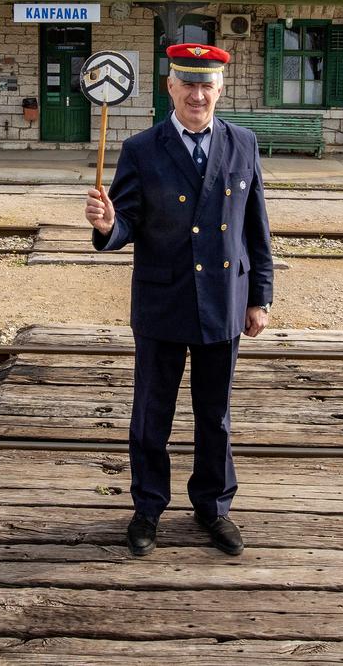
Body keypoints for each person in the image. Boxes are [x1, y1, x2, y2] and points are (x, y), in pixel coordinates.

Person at [85, 41, 274, 558]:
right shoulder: (142, 149)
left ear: (220, 88)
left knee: (215, 415)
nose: (197, 94)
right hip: (162, 300)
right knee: (152, 413)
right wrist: (107, 224)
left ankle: (213, 507)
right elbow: (125, 222)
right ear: (170, 86)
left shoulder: (243, 144)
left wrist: (259, 297)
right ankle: (148, 508)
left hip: (223, 298)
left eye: (206, 85)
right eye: (188, 83)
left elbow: (255, 227)